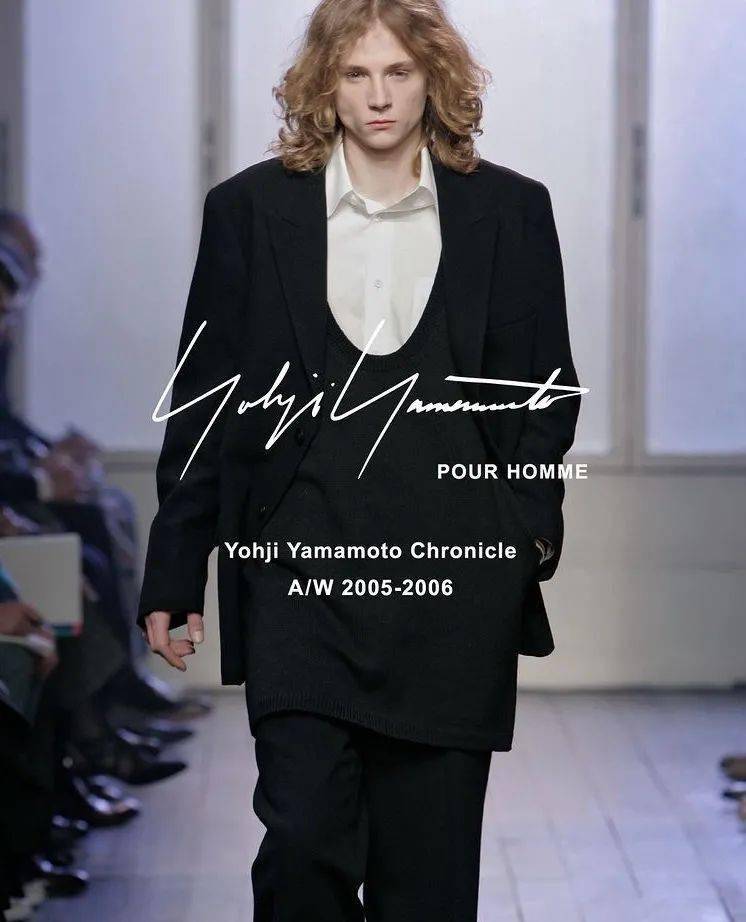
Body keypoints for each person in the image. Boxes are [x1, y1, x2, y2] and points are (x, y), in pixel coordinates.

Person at [138, 1, 582, 919]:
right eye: (355, 74)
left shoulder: (509, 211)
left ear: (434, 80)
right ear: (324, 85)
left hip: (452, 587)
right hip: (297, 578)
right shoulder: (250, 212)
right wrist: (175, 567)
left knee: (428, 885)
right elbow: (205, 400)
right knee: (301, 846)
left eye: (398, 73)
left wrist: (523, 536)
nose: (378, 97)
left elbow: (544, 392)